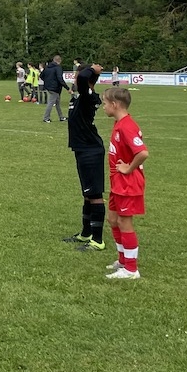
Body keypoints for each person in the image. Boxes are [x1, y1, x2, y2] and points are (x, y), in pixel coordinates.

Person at [102, 87, 149, 280]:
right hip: (118, 183)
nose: (103, 107)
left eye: (105, 103)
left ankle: (131, 269)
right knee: (113, 219)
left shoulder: (126, 126)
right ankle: (123, 261)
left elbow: (143, 152)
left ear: (114, 104)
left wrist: (128, 168)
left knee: (124, 222)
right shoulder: (119, 123)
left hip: (128, 183)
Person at [63, 64, 106, 251]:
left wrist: (93, 70)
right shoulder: (82, 96)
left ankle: (97, 240)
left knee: (95, 195)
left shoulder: (88, 96)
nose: (74, 79)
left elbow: (82, 79)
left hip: (91, 151)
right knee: (87, 194)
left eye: (76, 76)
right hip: (82, 149)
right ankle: (86, 233)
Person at [41, 55, 70, 123]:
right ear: (59, 61)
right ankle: (46, 118)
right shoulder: (58, 67)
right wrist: (67, 88)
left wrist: (47, 81)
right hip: (55, 88)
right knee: (51, 103)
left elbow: (41, 76)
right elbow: (60, 79)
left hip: (48, 86)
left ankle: (61, 117)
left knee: (57, 102)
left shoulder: (47, 67)